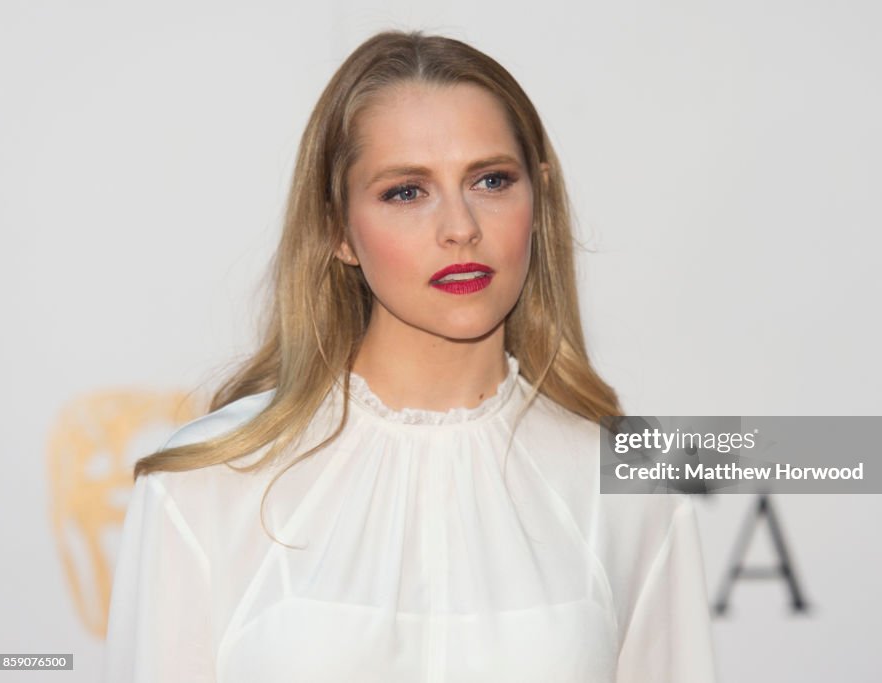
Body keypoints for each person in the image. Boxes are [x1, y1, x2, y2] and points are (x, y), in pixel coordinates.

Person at [103, 30, 718, 682]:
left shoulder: (630, 491)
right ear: (338, 228)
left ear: (537, 202)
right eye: (406, 191)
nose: (460, 226)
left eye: (490, 180)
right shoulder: (204, 487)